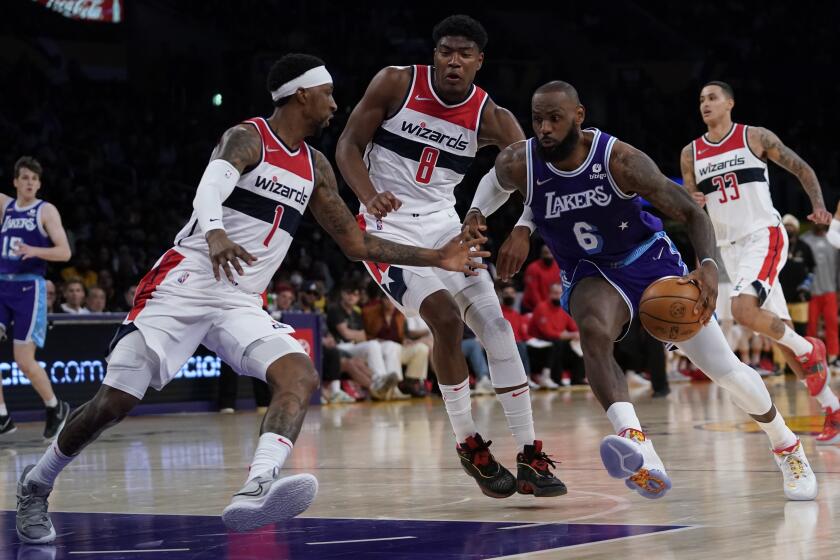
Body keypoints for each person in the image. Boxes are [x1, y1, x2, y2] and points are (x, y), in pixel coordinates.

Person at [15, 53, 488, 544]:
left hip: (241, 297)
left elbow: (356, 243)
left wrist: (437, 257)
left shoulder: (316, 166)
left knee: (299, 374)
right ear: (302, 94)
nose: (334, 104)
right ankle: (37, 483)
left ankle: (256, 486)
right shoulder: (248, 137)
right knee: (113, 402)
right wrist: (216, 234)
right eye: (327, 94)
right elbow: (208, 190)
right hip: (187, 280)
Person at [471, 80, 817, 501]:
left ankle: (786, 445)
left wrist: (707, 266)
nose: (544, 128)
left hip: (647, 262)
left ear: (578, 118)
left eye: (555, 118)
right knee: (593, 330)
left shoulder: (619, 160)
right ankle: (638, 445)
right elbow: (495, 181)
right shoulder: (519, 160)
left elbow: (691, 211)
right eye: (537, 118)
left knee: (727, 372)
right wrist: (477, 214)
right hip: (590, 271)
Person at [336, 13, 565, 499]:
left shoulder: (493, 117)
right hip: (385, 226)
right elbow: (348, 144)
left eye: (465, 54)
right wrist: (368, 192)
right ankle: (469, 444)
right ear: (434, 54)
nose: (454, 62)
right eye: (446, 52)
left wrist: (519, 229)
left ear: (480, 62)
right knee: (443, 319)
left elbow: (536, 178)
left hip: (445, 222)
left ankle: (530, 454)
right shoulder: (397, 82)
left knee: (498, 328)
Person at [680, 81, 840, 444]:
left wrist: (818, 205)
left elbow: (801, 167)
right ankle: (833, 408)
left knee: (742, 311)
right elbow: (693, 209)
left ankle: (809, 348)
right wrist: (700, 245)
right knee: (779, 334)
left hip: (762, 234)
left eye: (712, 98)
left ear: (730, 103)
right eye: (701, 100)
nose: (705, 104)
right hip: (728, 249)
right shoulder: (691, 153)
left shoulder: (754, 137)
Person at [0, 156, 71, 440]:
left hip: (30, 289)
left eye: (34, 178)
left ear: (39, 184)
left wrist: (35, 250)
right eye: (24, 177)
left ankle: (55, 407)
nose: (29, 182)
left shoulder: (46, 211)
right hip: (2, 286)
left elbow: (64, 252)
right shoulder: (5, 206)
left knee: (23, 361)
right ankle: (2, 416)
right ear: (15, 181)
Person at [528, 283, 584, 387]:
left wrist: (575, 335)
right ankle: (553, 378)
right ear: (549, 294)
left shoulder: (563, 309)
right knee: (557, 344)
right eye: (555, 293)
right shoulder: (541, 308)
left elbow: (574, 329)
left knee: (577, 344)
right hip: (538, 344)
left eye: (560, 293)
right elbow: (547, 333)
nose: (558, 296)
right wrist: (569, 335)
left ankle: (577, 378)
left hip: (557, 341)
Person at [778, 215, 815, 337]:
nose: (789, 229)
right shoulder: (777, 245)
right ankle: (779, 357)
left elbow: (812, 270)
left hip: (800, 298)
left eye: (791, 226)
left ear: (797, 229)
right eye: (786, 226)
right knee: (780, 332)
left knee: (800, 331)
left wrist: (806, 286)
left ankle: (801, 356)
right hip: (780, 298)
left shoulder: (804, 247)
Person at [522, 244, 561, 313]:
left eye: (550, 253)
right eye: (545, 253)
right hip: (531, 307)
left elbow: (560, 289)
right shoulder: (533, 268)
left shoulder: (558, 267)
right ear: (541, 254)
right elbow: (533, 291)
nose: (548, 255)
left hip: (551, 307)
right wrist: (543, 309)